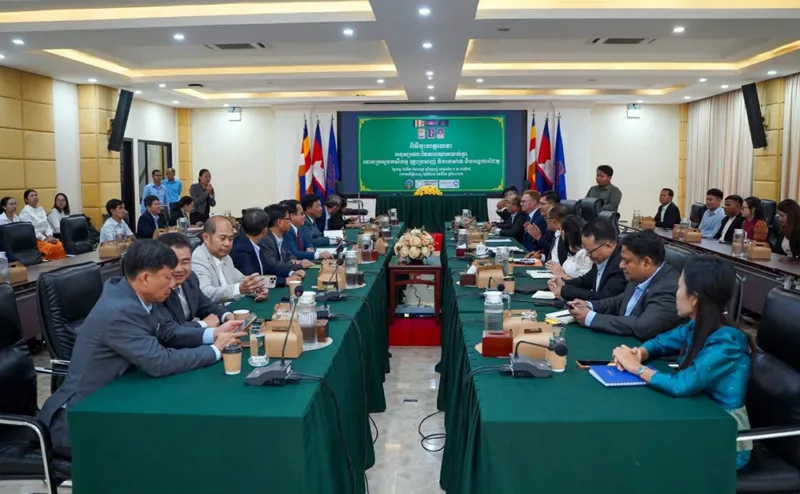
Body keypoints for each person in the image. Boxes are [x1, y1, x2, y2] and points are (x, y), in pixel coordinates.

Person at [38, 240, 245, 458]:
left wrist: (213, 334)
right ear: (145, 278)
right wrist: (214, 350)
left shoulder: (132, 294)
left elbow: (166, 333)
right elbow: (159, 362)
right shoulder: (120, 311)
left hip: (120, 397)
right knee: (173, 444)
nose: (173, 284)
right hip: (83, 419)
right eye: (167, 278)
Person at [611, 256, 752, 470]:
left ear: (694, 298)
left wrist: (636, 368)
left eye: (679, 287)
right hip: (694, 416)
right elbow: (661, 342)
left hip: (724, 438)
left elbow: (682, 384)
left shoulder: (728, 341)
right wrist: (639, 352)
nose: (675, 294)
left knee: (643, 452)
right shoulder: (696, 326)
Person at [568, 230, 682, 341]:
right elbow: (620, 301)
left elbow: (644, 326)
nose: (621, 265)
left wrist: (591, 318)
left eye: (626, 261)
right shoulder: (638, 275)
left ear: (646, 263)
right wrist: (589, 306)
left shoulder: (669, 288)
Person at [155, 233, 240, 333]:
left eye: (185, 262)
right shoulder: (155, 288)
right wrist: (203, 324)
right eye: (173, 263)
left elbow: (206, 306)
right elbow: (167, 329)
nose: (179, 269)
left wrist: (226, 316)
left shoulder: (190, 278)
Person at [192, 216, 266, 303]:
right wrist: (239, 289)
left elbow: (240, 280)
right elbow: (206, 293)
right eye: (222, 238)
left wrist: (255, 289)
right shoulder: (198, 258)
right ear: (206, 237)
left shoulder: (226, 257)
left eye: (230, 239)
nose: (227, 244)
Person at [549, 219, 627, 301]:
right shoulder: (600, 258)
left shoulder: (621, 266)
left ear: (608, 246)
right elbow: (585, 281)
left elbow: (603, 298)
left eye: (590, 251)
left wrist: (565, 290)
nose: (587, 255)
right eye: (585, 250)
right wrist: (563, 282)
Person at [231, 208, 303, 286]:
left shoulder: (257, 243)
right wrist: (284, 281)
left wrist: (291, 273)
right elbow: (253, 280)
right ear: (264, 230)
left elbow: (269, 266)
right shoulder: (240, 249)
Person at [257, 205, 309, 284]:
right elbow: (273, 266)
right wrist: (299, 266)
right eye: (288, 219)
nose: (290, 222)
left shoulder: (280, 237)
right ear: (279, 222)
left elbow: (290, 255)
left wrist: (293, 267)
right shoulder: (266, 240)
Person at [19, 189, 66, 260]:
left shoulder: (40, 210)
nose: (35, 197)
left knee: (60, 244)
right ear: (26, 200)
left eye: (36, 195)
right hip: (35, 239)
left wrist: (49, 235)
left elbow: (47, 225)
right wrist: (45, 239)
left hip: (47, 237)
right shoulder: (24, 213)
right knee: (50, 247)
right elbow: (31, 230)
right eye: (31, 196)